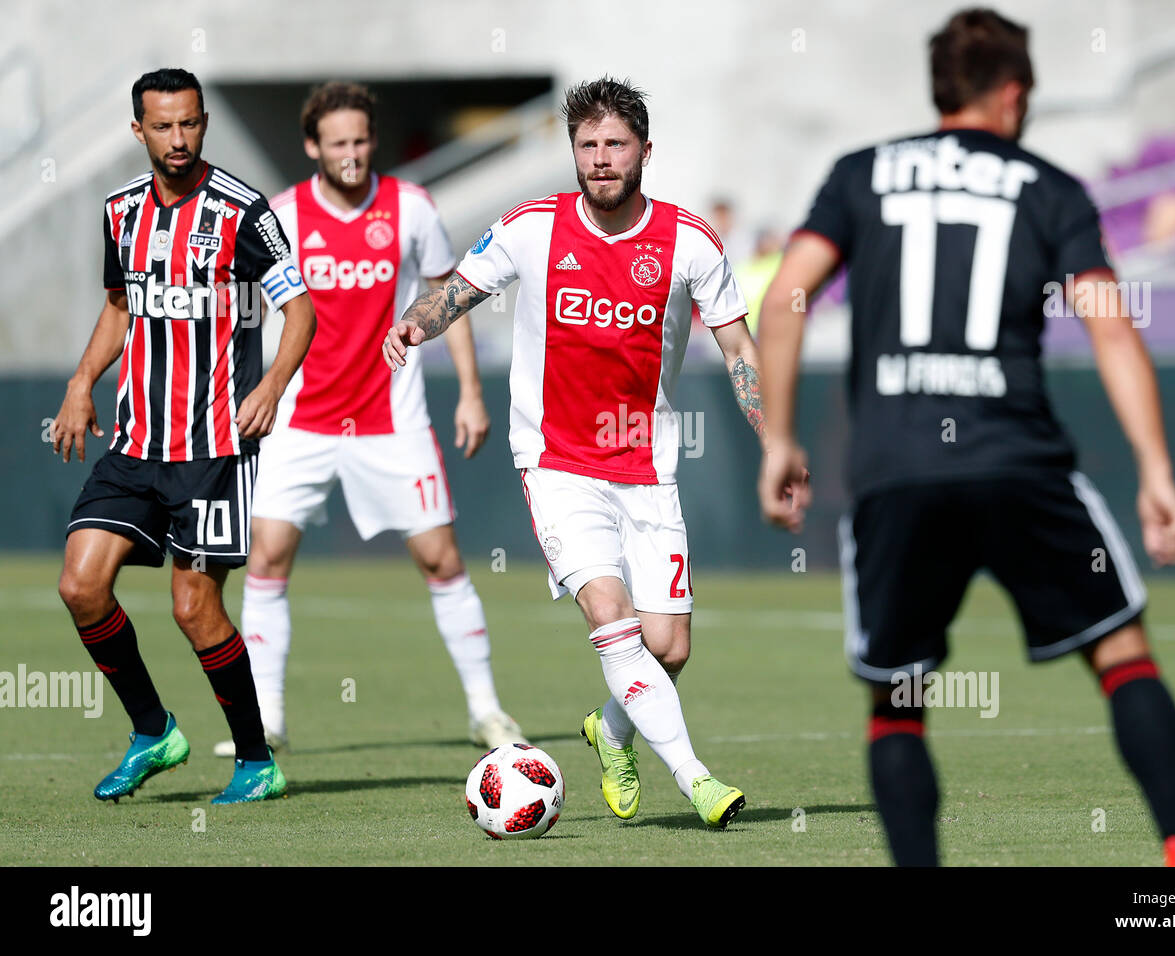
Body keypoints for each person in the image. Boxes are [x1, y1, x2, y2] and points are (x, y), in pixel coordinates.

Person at [757, 8, 1175, 867]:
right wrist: (1156, 469)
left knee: (897, 698)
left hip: (896, 469)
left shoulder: (859, 175)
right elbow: (1111, 328)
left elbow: (785, 299)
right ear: (1011, 94)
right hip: (1019, 462)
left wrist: (778, 437)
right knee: (1121, 651)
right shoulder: (1050, 188)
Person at [384, 77, 771, 829]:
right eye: (586, 145)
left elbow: (738, 350)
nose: (599, 158)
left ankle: (609, 728)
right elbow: (456, 290)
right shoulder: (532, 226)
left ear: (645, 152)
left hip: (649, 466)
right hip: (556, 462)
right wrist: (412, 325)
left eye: (614, 145)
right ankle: (697, 781)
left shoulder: (690, 241)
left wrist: (775, 439)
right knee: (612, 614)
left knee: (669, 646)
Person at [212, 82, 524, 756]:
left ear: (372, 140)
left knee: (441, 558)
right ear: (311, 146)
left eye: (361, 141)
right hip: (301, 420)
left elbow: (450, 295)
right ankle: (264, 721)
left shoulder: (412, 207)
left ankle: (486, 710)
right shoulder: (283, 215)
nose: (352, 155)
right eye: (338, 143)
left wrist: (471, 392)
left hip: (392, 419)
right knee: (266, 558)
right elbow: (246, 309)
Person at [52, 68, 315, 804]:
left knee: (194, 607)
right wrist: (81, 383)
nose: (178, 139)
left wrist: (270, 387)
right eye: (163, 126)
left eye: (190, 124)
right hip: (136, 442)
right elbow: (118, 306)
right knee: (81, 585)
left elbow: (299, 310)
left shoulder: (242, 209)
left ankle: (258, 761)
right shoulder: (119, 210)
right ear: (138, 129)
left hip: (214, 448)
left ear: (204, 122)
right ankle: (153, 731)